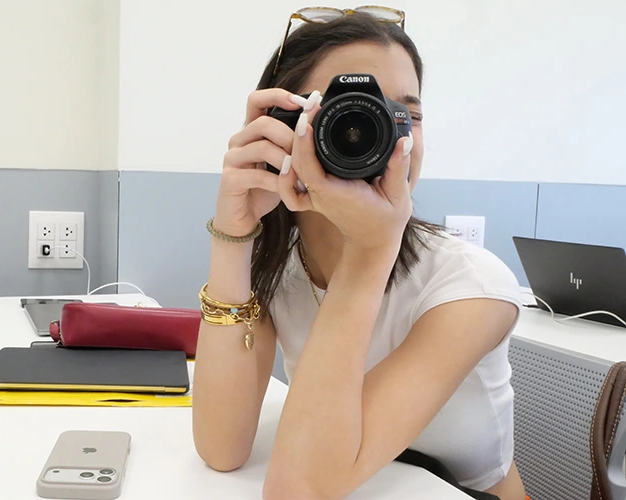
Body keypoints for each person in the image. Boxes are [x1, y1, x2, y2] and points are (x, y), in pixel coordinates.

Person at [191, 9, 527, 500]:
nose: (382, 134)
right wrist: (233, 234)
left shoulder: (472, 285)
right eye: (351, 112)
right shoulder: (283, 271)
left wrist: (371, 246)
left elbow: (299, 490)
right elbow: (222, 447)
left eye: (406, 115)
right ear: (281, 126)